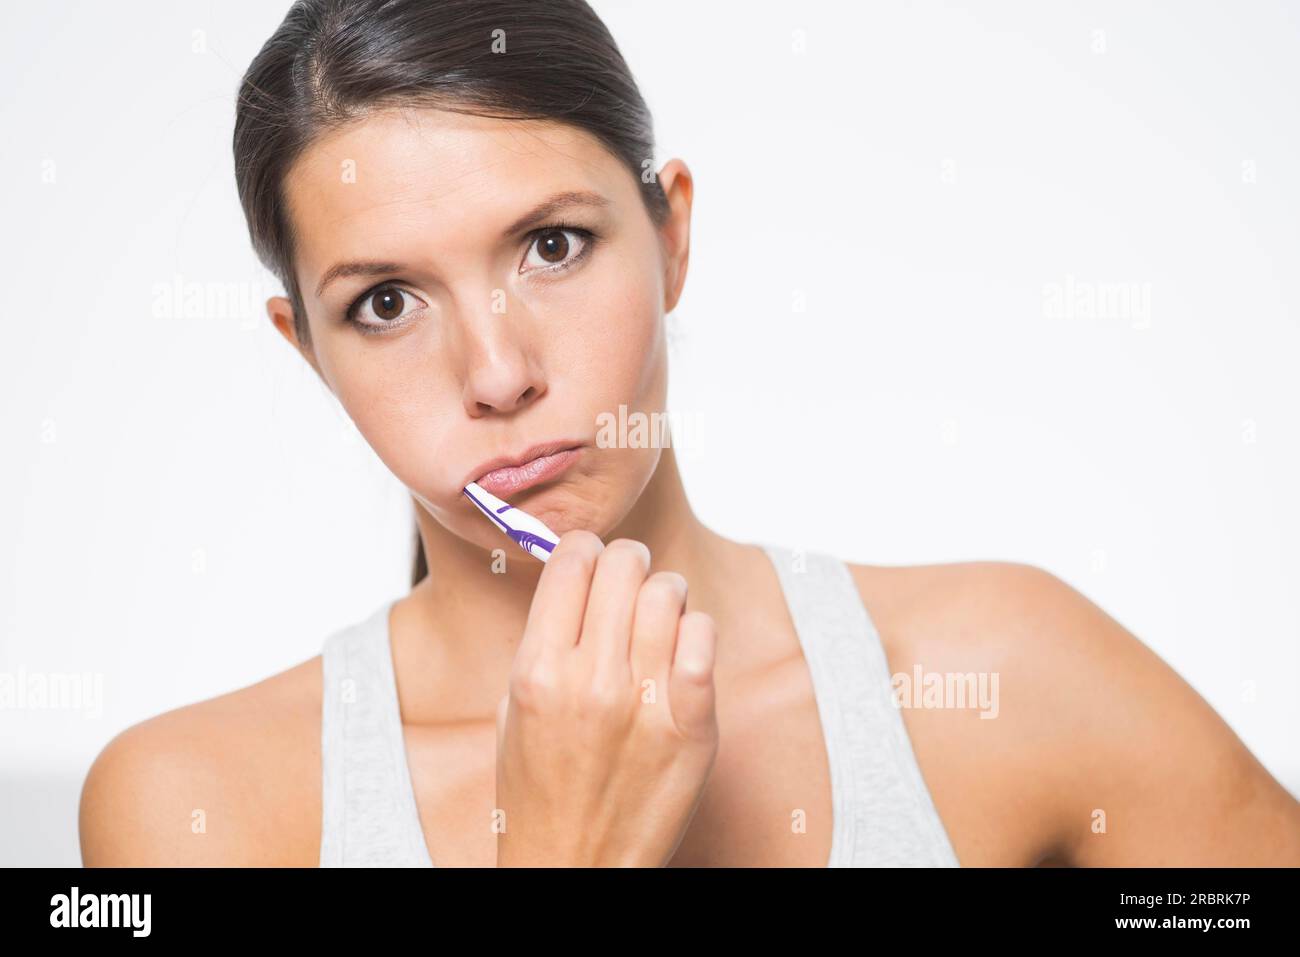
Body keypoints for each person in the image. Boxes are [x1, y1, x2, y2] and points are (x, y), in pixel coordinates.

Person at [79, 0, 1300, 867]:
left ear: (670, 239)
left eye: (552, 246)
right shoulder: (199, 807)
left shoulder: (1004, 676)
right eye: (386, 303)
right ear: (308, 351)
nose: (497, 374)